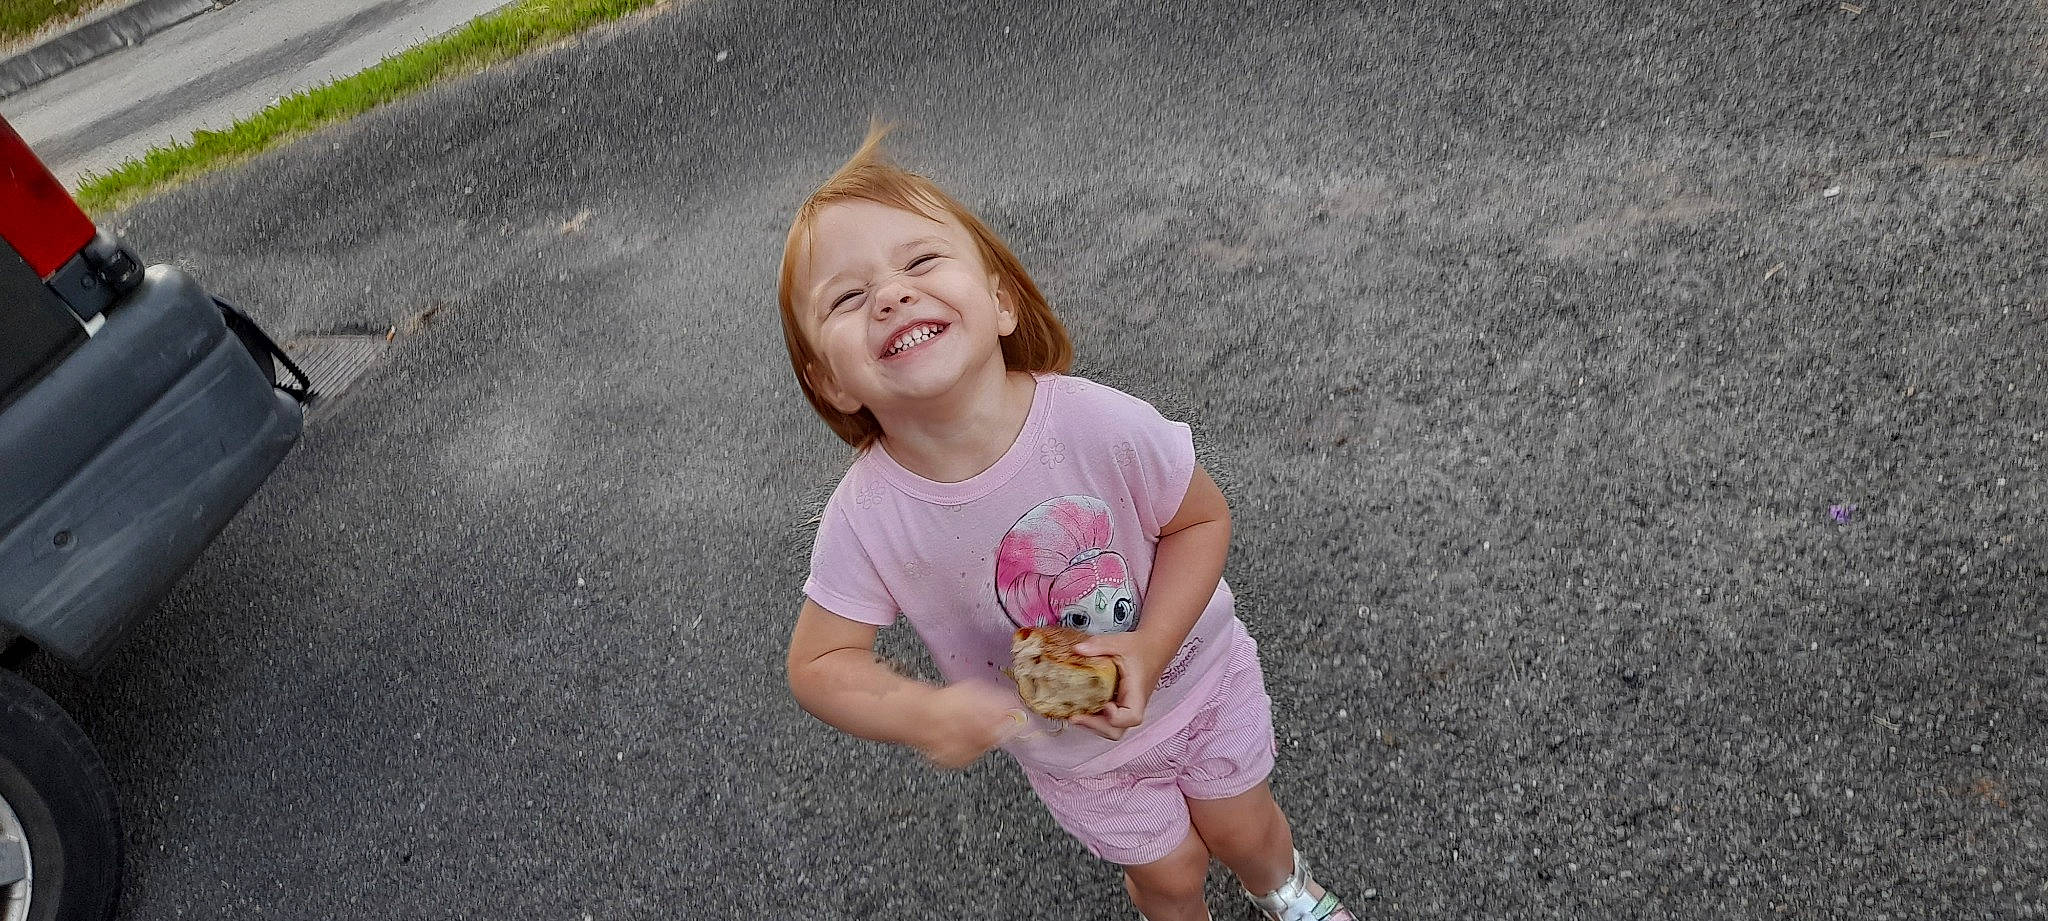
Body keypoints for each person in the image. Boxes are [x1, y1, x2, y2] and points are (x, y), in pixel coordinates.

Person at [779, 124, 1359, 921]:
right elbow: (819, 662)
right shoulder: (870, 516)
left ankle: (1287, 892)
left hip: (1201, 682)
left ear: (1000, 300)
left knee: (1244, 826)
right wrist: (926, 712)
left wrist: (1149, 648)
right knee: (1172, 871)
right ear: (829, 380)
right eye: (847, 297)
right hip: (1081, 760)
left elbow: (1200, 519)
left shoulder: (1096, 423)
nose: (890, 294)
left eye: (919, 262)